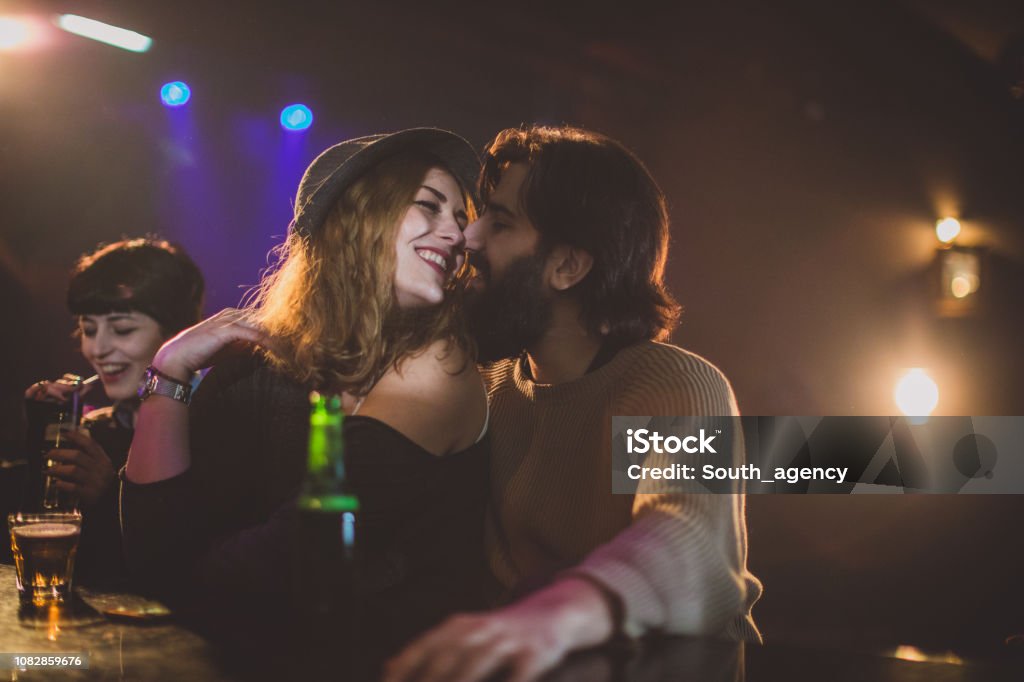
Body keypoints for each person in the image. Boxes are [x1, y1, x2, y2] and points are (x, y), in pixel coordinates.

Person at [386, 126, 762, 682]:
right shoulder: (485, 383)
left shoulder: (675, 384)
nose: (469, 237)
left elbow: (690, 533)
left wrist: (552, 616)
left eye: (502, 221)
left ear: (568, 267)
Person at [120, 129, 489, 650]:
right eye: (430, 207)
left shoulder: (443, 361)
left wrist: (180, 586)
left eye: (462, 217)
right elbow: (155, 547)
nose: (461, 236)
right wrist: (168, 372)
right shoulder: (258, 370)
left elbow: (290, 554)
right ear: (353, 220)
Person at [22, 238, 205, 589]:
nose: (98, 349)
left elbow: (186, 569)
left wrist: (112, 495)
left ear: (177, 335)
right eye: (88, 329)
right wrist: (42, 437)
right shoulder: (96, 428)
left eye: (122, 329)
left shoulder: (213, 425)